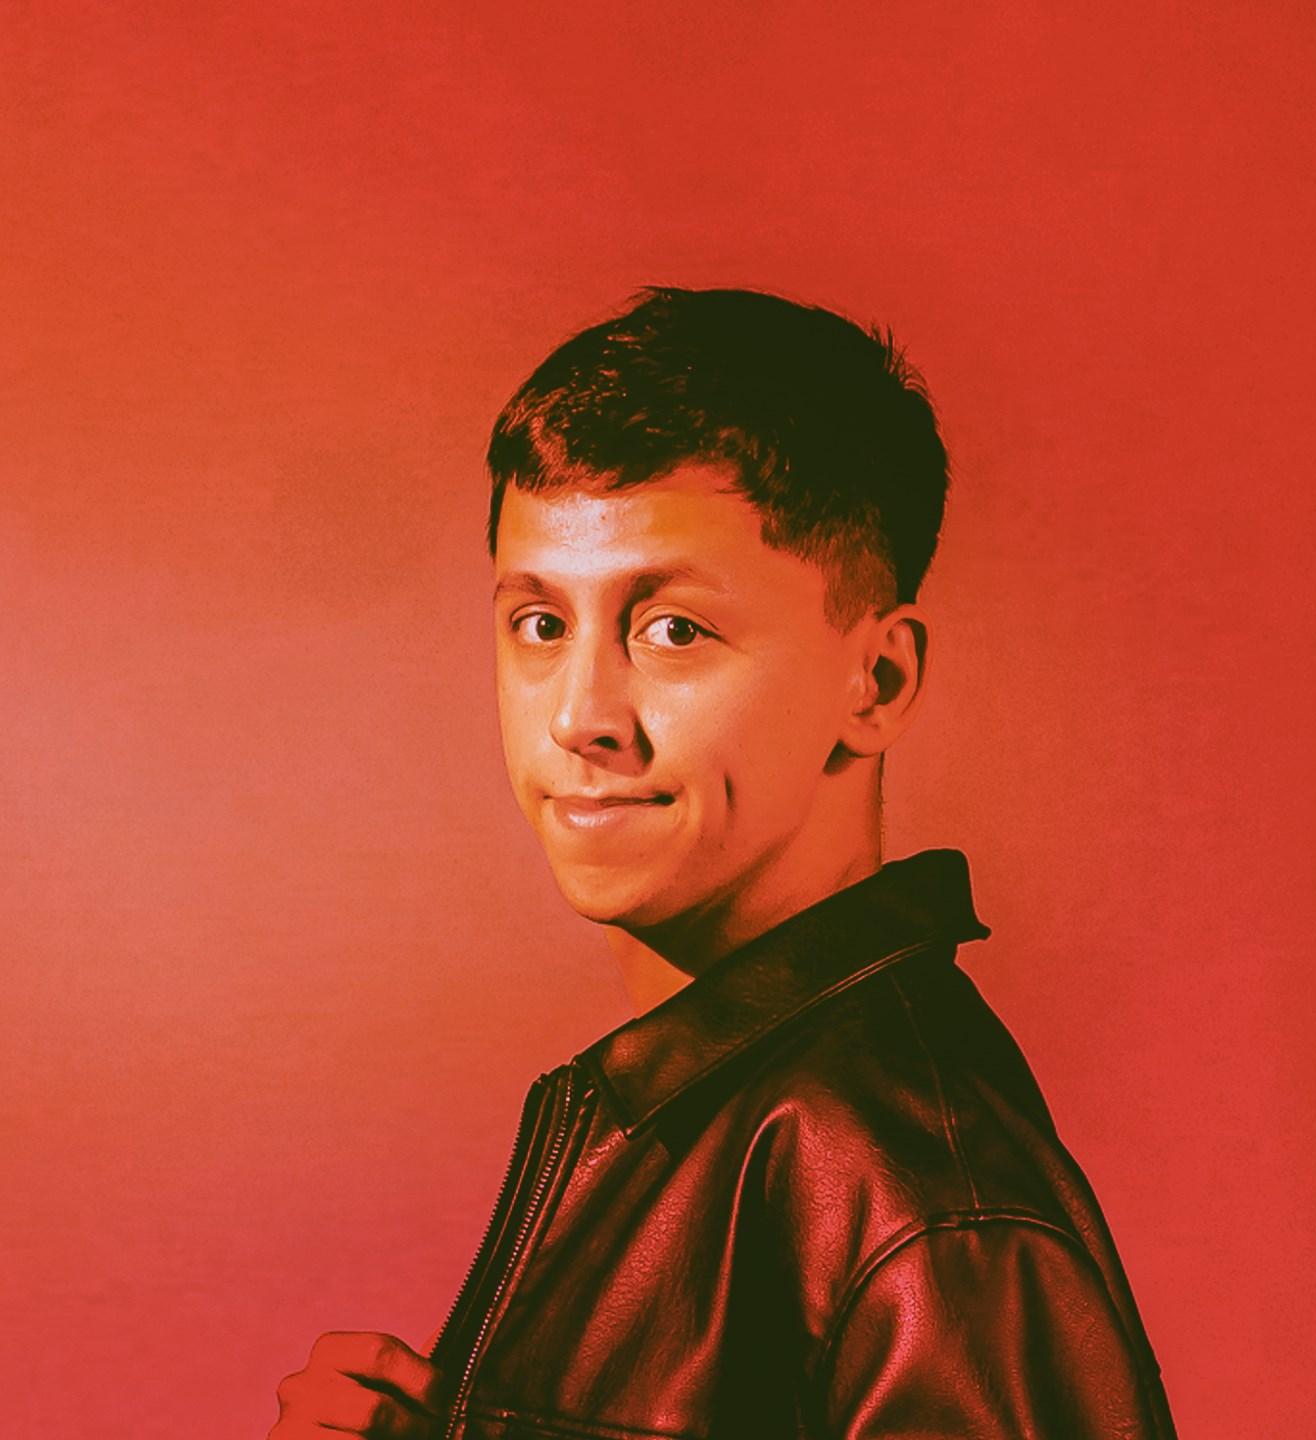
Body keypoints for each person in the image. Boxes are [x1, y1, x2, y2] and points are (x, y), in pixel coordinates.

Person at [269, 287, 1177, 1439]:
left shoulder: (924, 1212)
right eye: (541, 624)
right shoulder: (695, 1111)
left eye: (672, 631)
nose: (580, 717)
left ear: (878, 682)